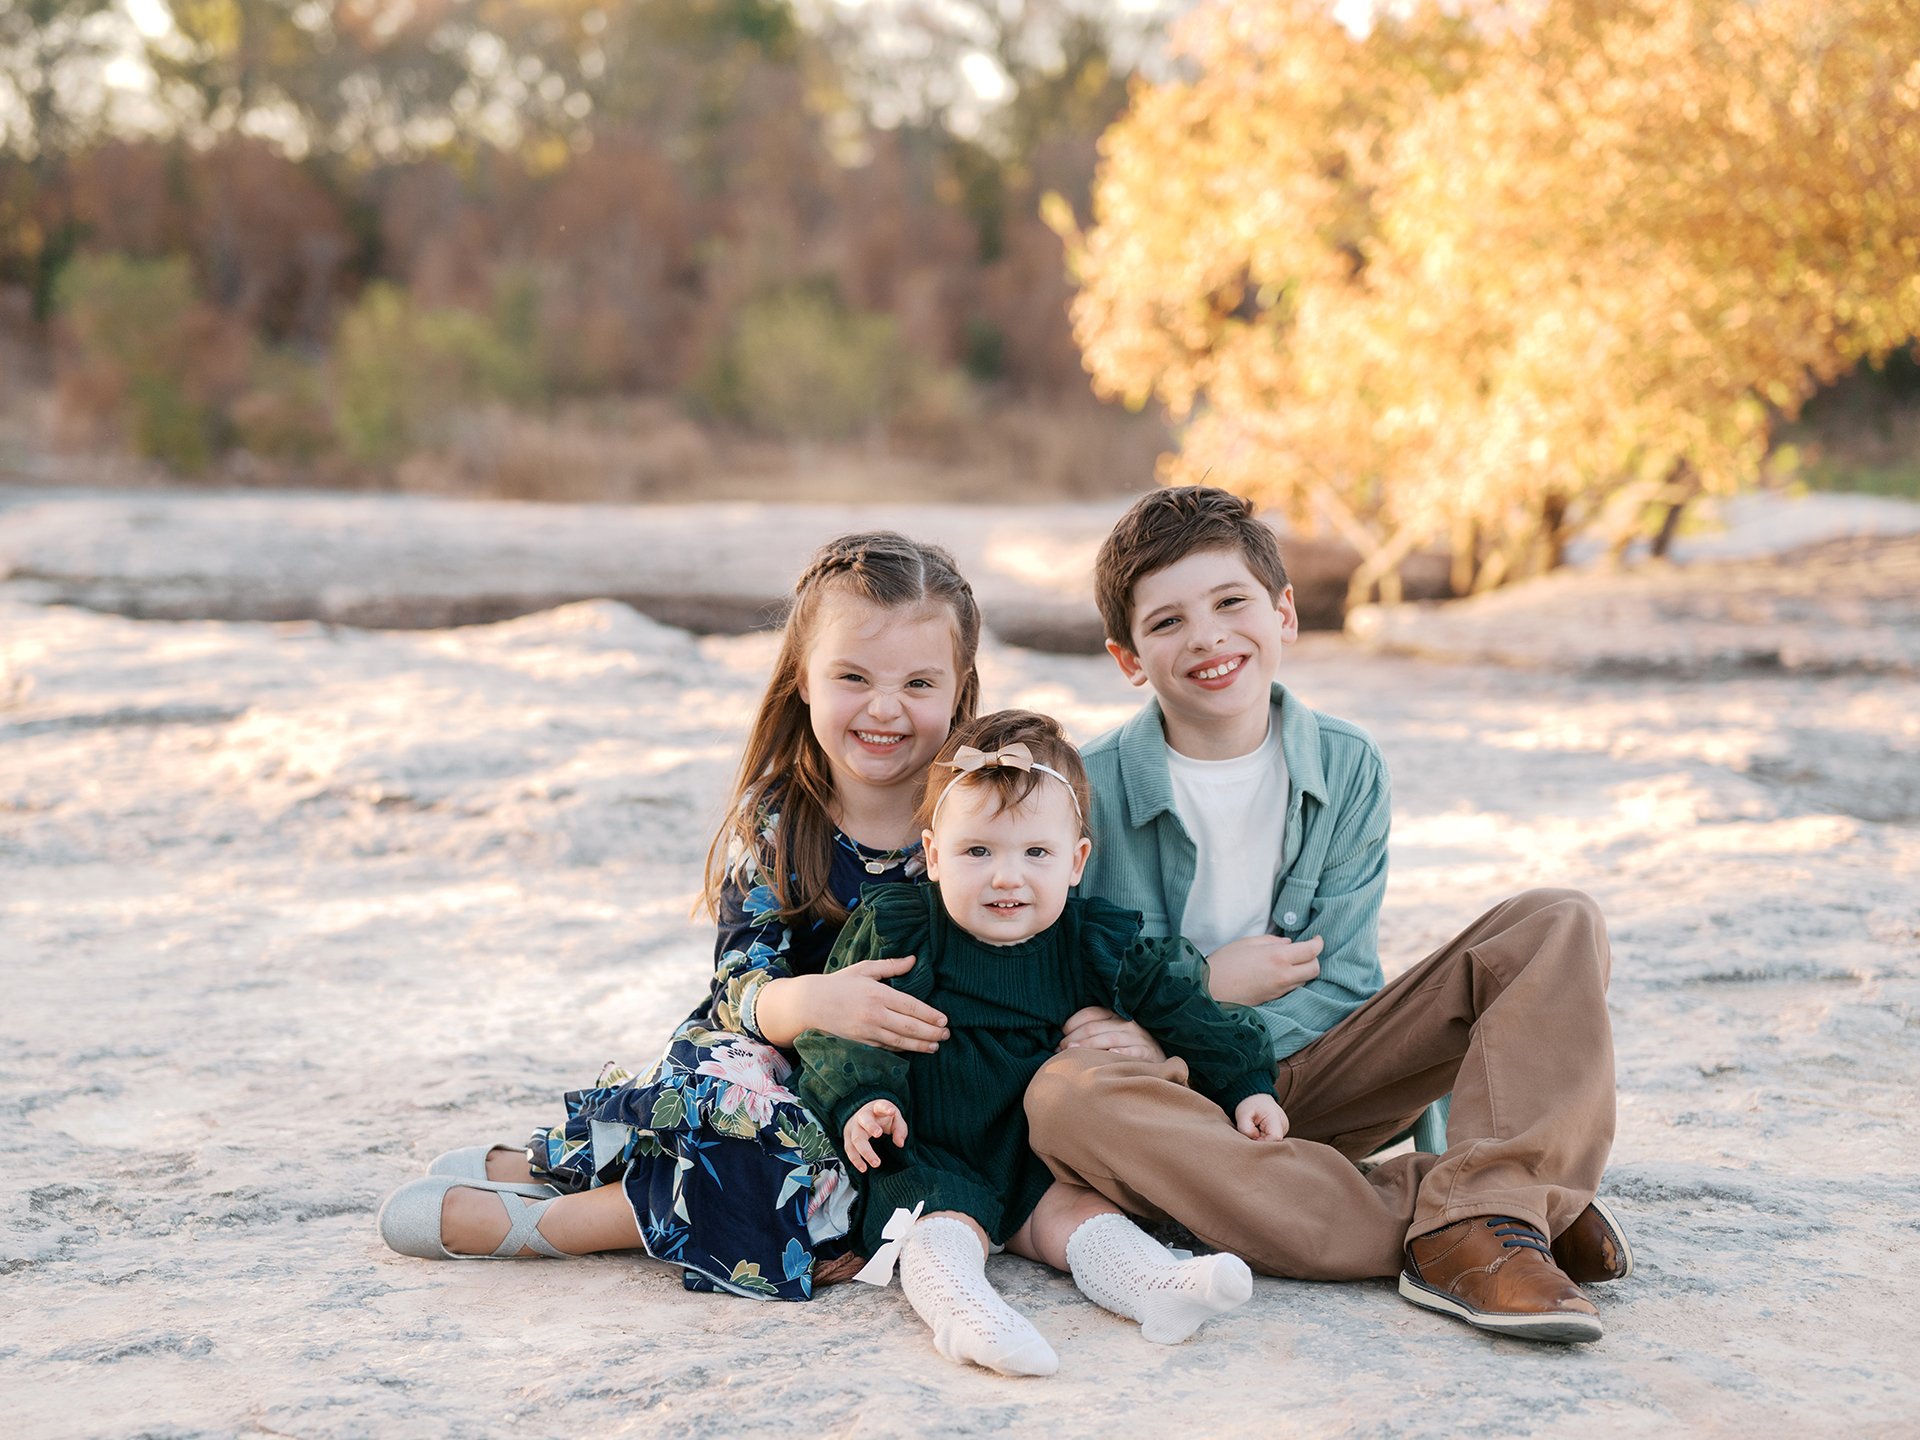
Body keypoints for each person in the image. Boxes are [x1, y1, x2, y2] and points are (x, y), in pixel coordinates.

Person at [1023, 485, 1631, 1344]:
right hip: (1178, 1107)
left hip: (1324, 1074)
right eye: (1168, 623)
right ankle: (1479, 1213)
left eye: (1232, 603)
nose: (1207, 637)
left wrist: (1184, 1015)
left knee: (1557, 920)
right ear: (1128, 658)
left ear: (1285, 616)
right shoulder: (1087, 787)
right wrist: (1203, 996)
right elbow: (1057, 989)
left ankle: (1472, 1206)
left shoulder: (1346, 764)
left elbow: (1342, 979)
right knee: (1062, 1100)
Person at [377, 531, 979, 1300]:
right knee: (743, 1111)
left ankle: (567, 1207)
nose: (885, 708)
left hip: (894, 1091)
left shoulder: (980, 813)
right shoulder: (777, 819)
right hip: (769, 1058)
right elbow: (739, 985)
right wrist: (819, 1003)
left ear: (962, 685)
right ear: (802, 677)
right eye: (853, 676)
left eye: (920, 684)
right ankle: (553, 1200)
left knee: (839, 1178)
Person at [795, 710, 1284, 1377]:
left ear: (1076, 861)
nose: (1006, 876)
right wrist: (864, 1098)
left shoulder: (1095, 941)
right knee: (941, 1223)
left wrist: (1245, 1081)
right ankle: (965, 1315)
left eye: (1036, 854)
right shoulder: (901, 929)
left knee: (1078, 1214)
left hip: (1036, 1156)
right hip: (930, 1145)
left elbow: (1187, 1010)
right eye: (978, 852)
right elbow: (844, 1028)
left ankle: (1156, 1288)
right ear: (934, 855)